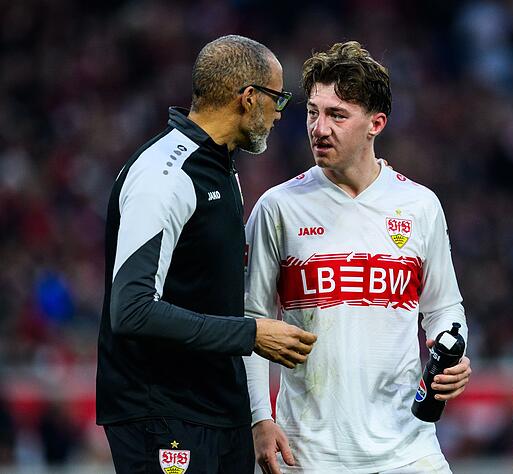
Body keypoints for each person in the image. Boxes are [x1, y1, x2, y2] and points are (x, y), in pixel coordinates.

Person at [243, 41, 472, 474]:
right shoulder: (278, 207)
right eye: (313, 112)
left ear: (376, 123)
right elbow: (250, 320)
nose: (319, 128)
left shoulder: (419, 205)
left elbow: (444, 307)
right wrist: (260, 418)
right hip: (308, 452)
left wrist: (454, 355)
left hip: (409, 449)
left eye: (337, 115)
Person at [96, 35, 317, 473]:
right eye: (277, 98)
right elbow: (133, 309)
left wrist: (257, 416)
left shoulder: (221, 169)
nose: (278, 112)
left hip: (219, 413)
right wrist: (250, 334)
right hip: (162, 413)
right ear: (248, 97)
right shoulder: (164, 175)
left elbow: (213, 296)